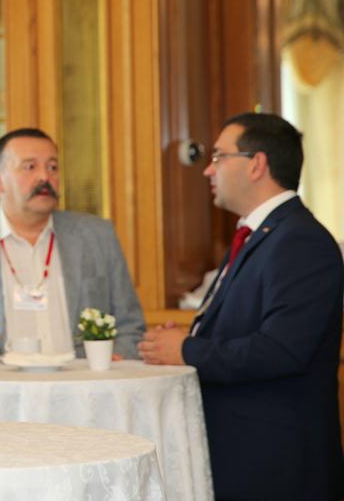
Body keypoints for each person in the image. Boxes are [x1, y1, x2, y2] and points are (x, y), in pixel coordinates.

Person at [139, 112, 343, 500]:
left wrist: (187, 350)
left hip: (277, 464)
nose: (208, 170)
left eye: (219, 157)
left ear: (256, 164)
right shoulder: (260, 233)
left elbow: (281, 350)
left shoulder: (299, 241)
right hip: (247, 453)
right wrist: (190, 336)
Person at [0, 128, 145, 362]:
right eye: (30, 167)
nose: (44, 177)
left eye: (52, 167)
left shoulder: (97, 236)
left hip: (81, 380)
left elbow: (131, 327)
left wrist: (112, 359)